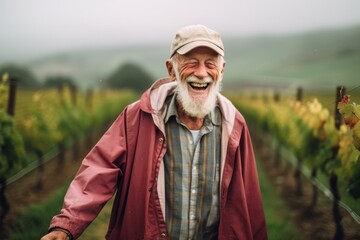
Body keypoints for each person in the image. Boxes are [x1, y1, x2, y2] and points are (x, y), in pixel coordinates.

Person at [41, 24, 268, 240]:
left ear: (222, 70)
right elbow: (99, 170)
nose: (201, 73)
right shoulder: (138, 117)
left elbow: (250, 201)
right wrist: (67, 225)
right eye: (191, 62)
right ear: (171, 69)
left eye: (210, 63)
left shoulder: (234, 124)